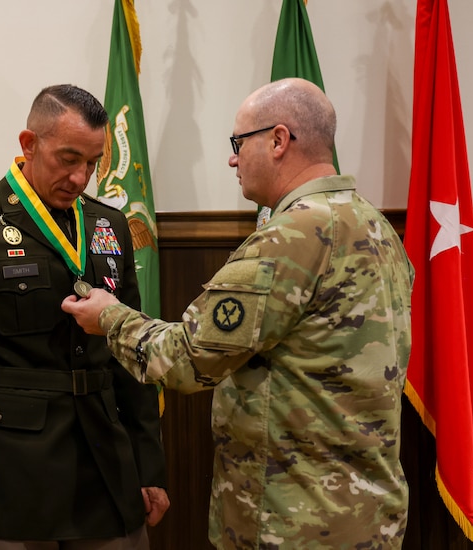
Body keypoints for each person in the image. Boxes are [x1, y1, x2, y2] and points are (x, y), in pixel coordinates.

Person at [62, 78, 413, 549]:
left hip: (296, 521)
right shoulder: (375, 225)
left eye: (238, 143)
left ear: (278, 140)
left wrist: (109, 317)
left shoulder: (291, 238)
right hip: (369, 516)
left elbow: (186, 360)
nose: (232, 158)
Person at [0, 84, 169, 550]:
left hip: (107, 469)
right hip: (14, 482)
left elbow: (131, 356)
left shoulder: (108, 225)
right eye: (68, 158)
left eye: (94, 163)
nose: (81, 177)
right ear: (29, 144)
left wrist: (149, 465)